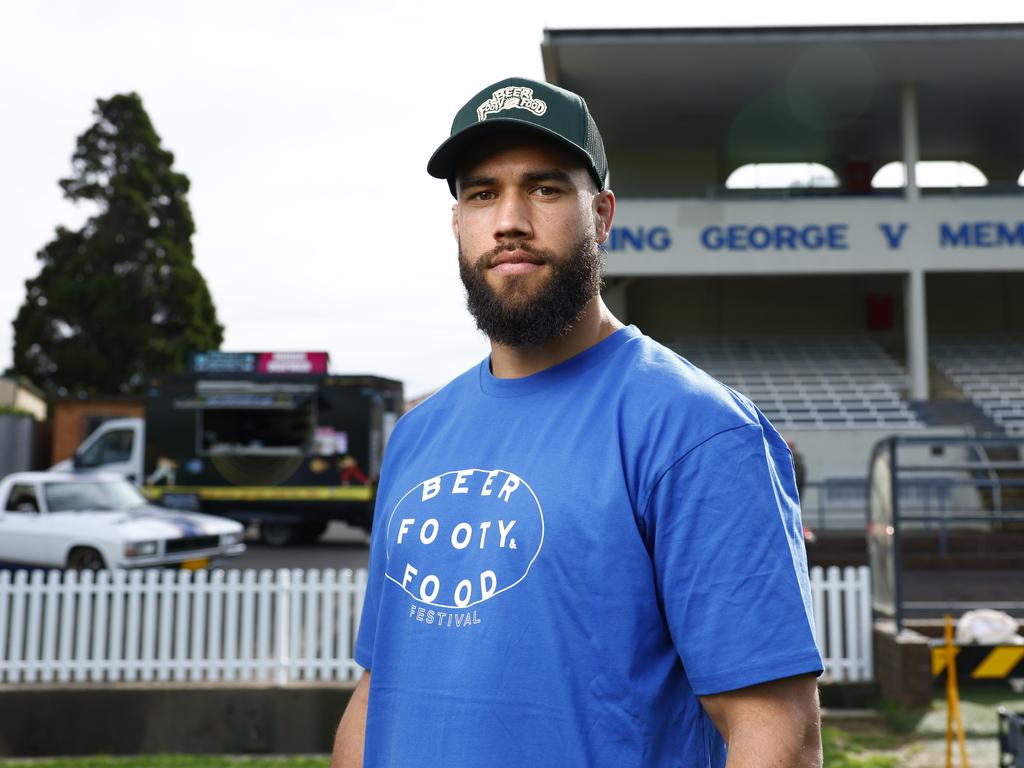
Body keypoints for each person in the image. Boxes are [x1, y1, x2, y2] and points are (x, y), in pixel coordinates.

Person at [332, 76, 824, 768]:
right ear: (458, 225)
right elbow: (378, 688)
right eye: (482, 192)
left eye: (545, 188)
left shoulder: (698, 432)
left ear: (602, 215)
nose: (509, 219)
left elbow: (778, 732)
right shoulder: (418, 436)